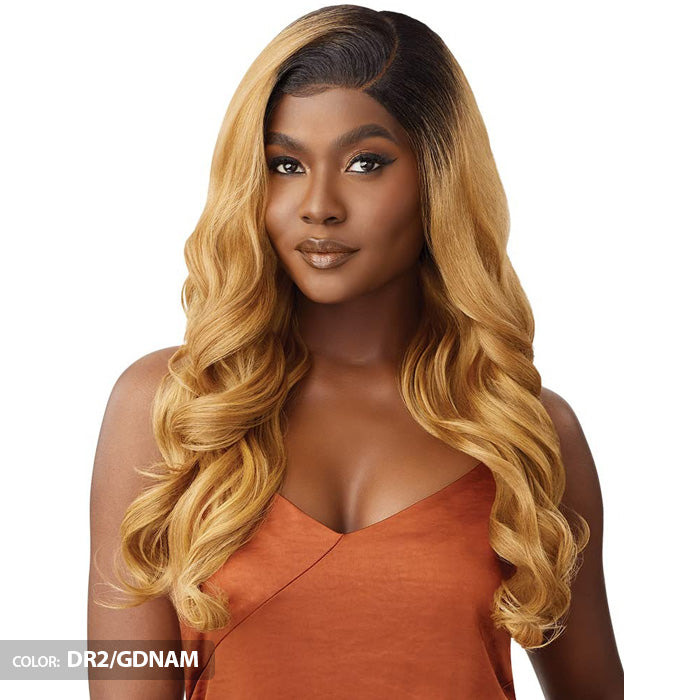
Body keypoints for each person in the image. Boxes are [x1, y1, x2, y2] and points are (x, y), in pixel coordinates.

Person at [88, 5, 623, 699]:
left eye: (365, 163)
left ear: (437, 175)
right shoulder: (171, 408)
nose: (319, 205)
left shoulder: (527, 430)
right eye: (285, 165)